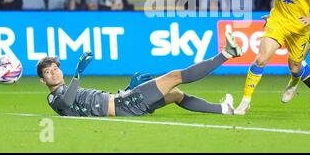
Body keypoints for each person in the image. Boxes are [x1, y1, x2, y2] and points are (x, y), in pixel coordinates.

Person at [38, 32, 242, 117]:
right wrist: (78, 74)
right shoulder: (54, 97)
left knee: (176, 94)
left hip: (123, 101)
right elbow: (66, 104)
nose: (54, 73)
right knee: (174, 76)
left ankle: (225, 109)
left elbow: (96, 103)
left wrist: (127, 89)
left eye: (55, 68)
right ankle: (226, 53)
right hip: (124, 104)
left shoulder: (64, 90)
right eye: (48, 72)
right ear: (42, 81)